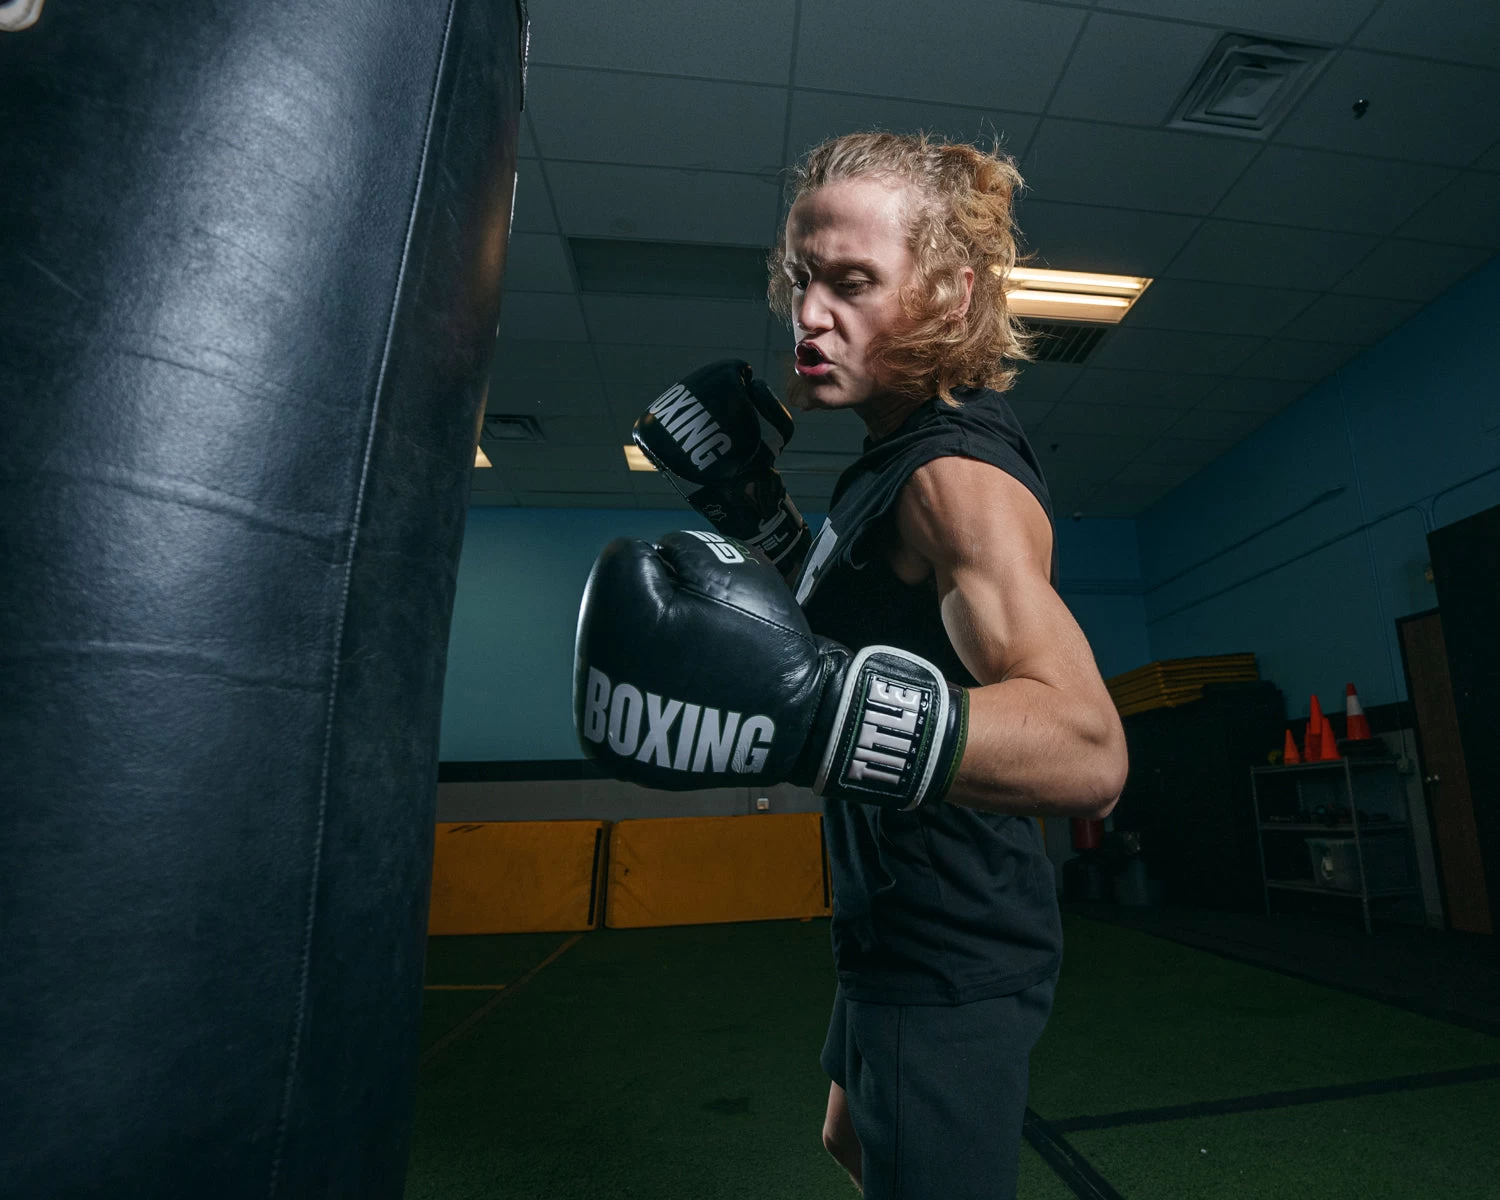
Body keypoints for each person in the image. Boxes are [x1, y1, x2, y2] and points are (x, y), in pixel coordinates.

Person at [575, 132, 1128, 1200]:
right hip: (891, 907)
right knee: (853, 1142)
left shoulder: (954, 479)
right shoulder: (889, 462)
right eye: (801, 278)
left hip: (953, 940)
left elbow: (1088, 750)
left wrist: (822, 713)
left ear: (951, 294)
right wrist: (762, 518)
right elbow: (871, 634)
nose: (810, 314)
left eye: (853, 282)